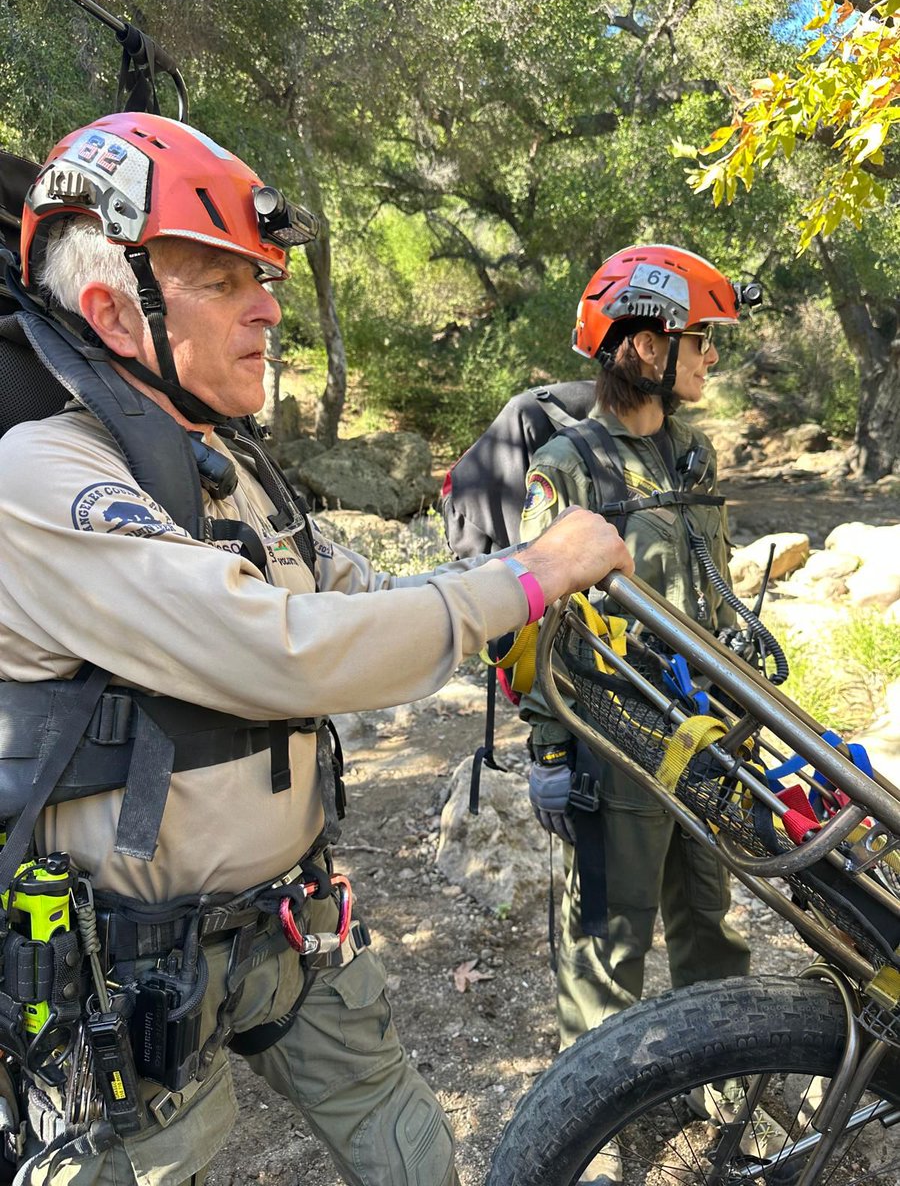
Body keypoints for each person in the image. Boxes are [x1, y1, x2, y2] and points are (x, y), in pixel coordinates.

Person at [0, 113, 633, 1186]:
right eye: (225, 279)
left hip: (293, 928)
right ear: (112, 309)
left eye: (266, 275)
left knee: (414, 1154)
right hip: (129, 976)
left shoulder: (227, 467)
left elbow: (367, 598)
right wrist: (529, 572)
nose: (270, 305)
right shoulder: (41, 479)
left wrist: (514, 615)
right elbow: (285, 651)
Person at [519, 245, 753, 1063]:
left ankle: (731, 1082)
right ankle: (591, 1128)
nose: (712, 356)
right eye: (701, 338)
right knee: (608, 944)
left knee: (709, 922)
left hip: (707, 732)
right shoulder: (567, 468)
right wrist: (549, 747)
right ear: (648, 345)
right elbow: (533, 617)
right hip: (617, 741)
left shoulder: (694, 456)